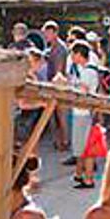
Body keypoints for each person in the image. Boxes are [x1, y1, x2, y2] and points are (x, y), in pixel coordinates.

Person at [68, 42, 106, 188]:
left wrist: (69, 86)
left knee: (87, 148)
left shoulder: (87, 72)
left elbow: (83, 91)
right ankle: (80, 174)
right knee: (81, 147)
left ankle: (88, 178)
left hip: (83, 113)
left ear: (79, 54)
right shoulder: (86, 70)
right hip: (83, 113)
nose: (71, 57)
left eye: (73, 53)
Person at [43, 21, 72, 153]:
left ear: (55, 33)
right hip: (52, 84)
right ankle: (59, 140)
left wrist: (54, 86)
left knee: (61, 115)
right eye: (45, 33)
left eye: (48, 33)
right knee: (55, 116)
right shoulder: (52, 47)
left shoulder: (60, 48)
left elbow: (59, 70)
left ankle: (65, 141)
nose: (46, 35)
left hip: (59, 86)